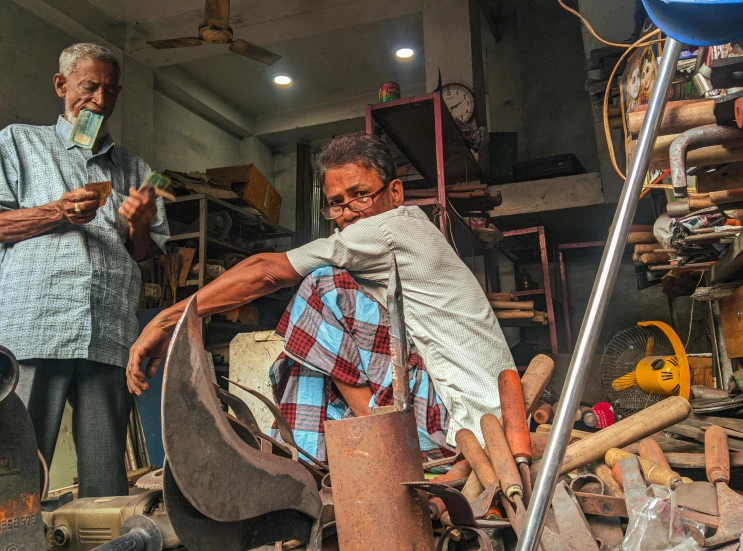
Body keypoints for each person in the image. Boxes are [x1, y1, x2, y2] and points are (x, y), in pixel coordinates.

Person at [127, 132, 515, 462]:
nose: (348, 213)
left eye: (360, 195)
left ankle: (332, 453)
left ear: (394, 193)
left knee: (322, 284)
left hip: (465, 427)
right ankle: (339, 449)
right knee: (322, 317)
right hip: (466, 417)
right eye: (337, 202)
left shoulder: (393, 229)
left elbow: (266, 271)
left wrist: (166, 319)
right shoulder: (400, 237)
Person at [0, 43, 169, 497]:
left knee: (106, 476)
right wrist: (56, 211)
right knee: (17, 471)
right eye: (88, 87)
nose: (98, 100)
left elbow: (145, 254)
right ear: (61, 85)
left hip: (108, 334)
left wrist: (140, 223)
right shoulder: (16, 141)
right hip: (36, 328)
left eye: (110, 91)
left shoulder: (140, 169)